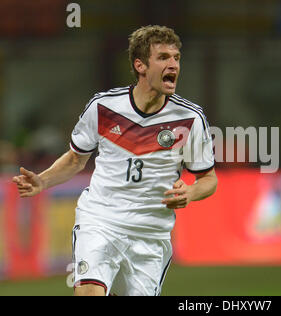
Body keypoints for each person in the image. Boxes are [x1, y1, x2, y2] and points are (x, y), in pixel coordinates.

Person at [12, 25, 217, 296]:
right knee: (89, 291)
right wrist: (42, 180)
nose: (173, 64)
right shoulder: (104, 107)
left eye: (176, 58)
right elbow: (76, 159)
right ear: (140, 65)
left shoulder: (190, 118)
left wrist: (191, 192)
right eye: (164, 57)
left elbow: (208, 179)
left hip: (150, 234)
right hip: (101, 220)